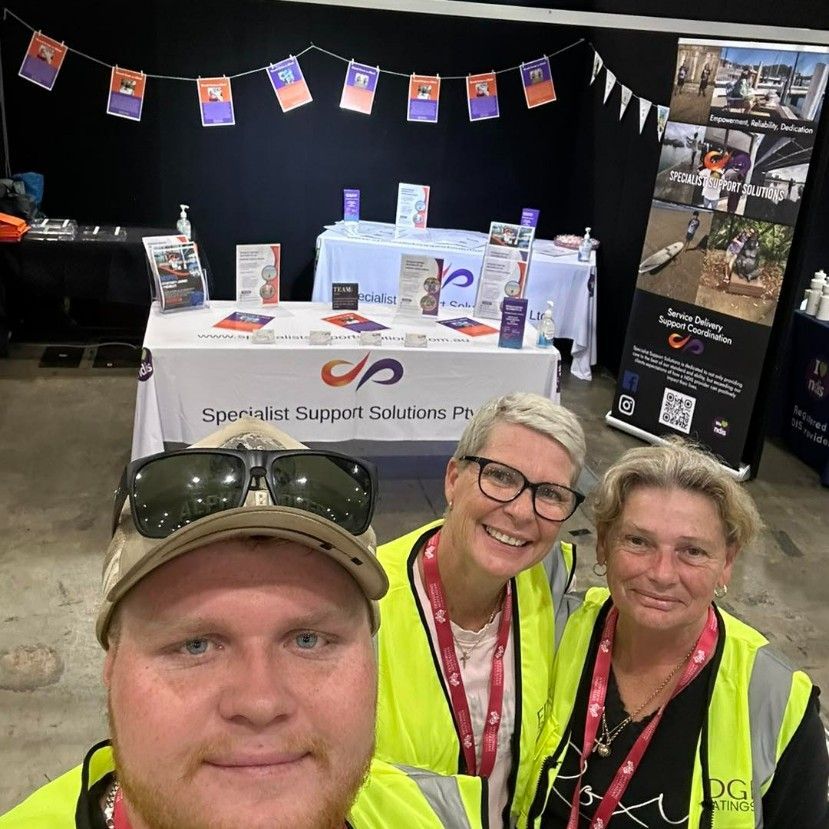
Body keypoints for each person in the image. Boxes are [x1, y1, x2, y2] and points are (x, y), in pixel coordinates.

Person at [0, 418, 485, 829]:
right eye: (195, 645)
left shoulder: (440, 814)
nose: (259, 702)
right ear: (111, 664)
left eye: (308, 639)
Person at [518, 439, 829, 828]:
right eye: (638, 541)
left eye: (693, 551)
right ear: (602, 545)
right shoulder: (549, 632)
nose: (662, 574)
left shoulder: (774, 700)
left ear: (727, 563)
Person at [374, 393, 587, 828]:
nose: (522, 511)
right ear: (453, 479)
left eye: (550, 494)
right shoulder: (364, 603)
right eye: (502, 477)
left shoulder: (550, 587)